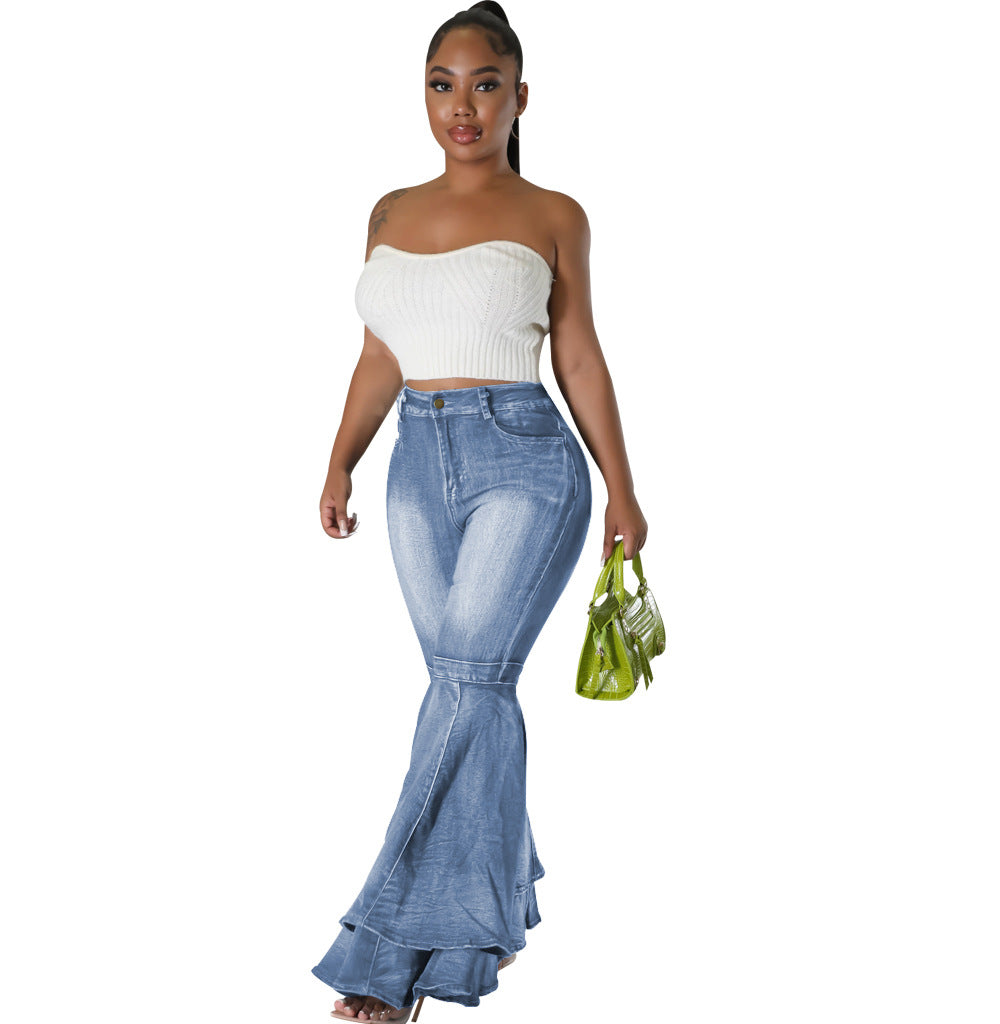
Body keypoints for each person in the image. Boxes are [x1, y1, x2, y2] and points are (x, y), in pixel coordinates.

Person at [313, 4, 648, 1021]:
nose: (462, 106)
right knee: (471, 693)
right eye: (442, 85)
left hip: (525, 462)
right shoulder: (387, 212)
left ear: (519, 97)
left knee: (464, 687)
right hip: (415, 466)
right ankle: (486, 918)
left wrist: (623, 485)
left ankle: (385, 951)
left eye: (485, 84)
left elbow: (577, 352)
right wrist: (339, 459)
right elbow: (380, 353)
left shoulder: (553, 214)